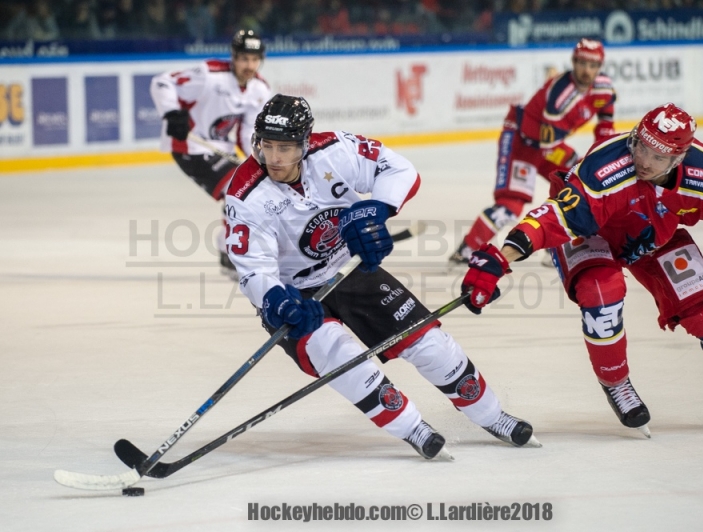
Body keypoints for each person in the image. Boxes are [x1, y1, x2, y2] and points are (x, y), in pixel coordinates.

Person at [224, 94, 538, 459]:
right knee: (341, 357)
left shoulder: (335, 150)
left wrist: (375, 210)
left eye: (285, 148)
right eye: (267, 146)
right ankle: (412, 427)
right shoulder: (245, 194)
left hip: (348, 269)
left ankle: (492, 415)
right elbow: (253, 268)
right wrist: (278, 302)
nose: (274, 158)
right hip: (295, 294)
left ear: (305, 143)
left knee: (429, 343)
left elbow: (400, 169)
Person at [460, 103, 703, 436]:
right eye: (642, 147)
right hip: (592, 232)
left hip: (651, 235)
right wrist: (499, 259)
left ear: (679, 158)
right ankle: (616, 383)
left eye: (658, 157)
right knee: (601, 295)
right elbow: (552, 219)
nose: (644, 161)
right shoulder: (603, 170)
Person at [450, 38, 616, 267]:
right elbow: (546, 142)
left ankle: (559, 249)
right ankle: (466, 250)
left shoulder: (603, 89)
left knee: (582, 186)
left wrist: (601, 158)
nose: (587, 70)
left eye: (593, 65)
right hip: (523, 143)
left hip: (547, 144)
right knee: (510, 205)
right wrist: (577, 161)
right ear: (574, 62)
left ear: (600, 66)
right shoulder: (560, 96)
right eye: (582, 63)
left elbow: (606, 125)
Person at [150, 29, 272, 279]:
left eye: (254, 59)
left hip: (219, 148)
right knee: (237, 189)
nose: (249, 65)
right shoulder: (209, 75)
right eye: (244, 59)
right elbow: (162, 82)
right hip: (190, 147)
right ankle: (229, 250)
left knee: (250, 189)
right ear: (233, 57)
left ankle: (230, 251)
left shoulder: (259, 89)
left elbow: (247, 132)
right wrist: (171, 112)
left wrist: (260, 161)